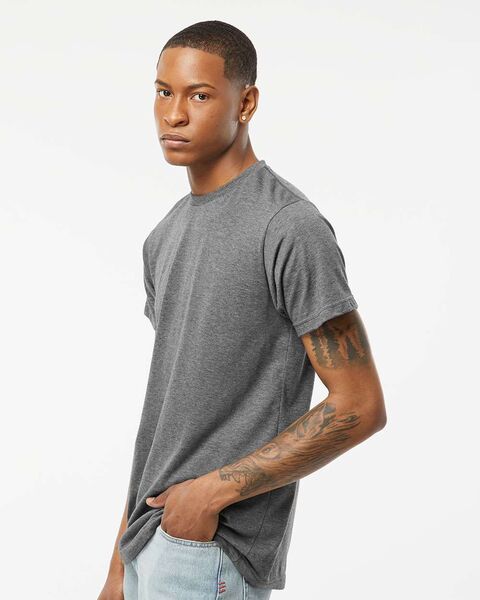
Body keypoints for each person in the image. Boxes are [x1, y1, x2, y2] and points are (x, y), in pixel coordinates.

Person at [97, 19, 387, 600]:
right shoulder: (163, 237)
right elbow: (170, 414)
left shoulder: (288, 228)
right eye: (164, 92)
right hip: (148, 542)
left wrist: (211, 494)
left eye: (200, 95)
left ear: (246, 103)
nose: (174, 114)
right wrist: (119, 567)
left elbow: (360, 404)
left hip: (210, 548)